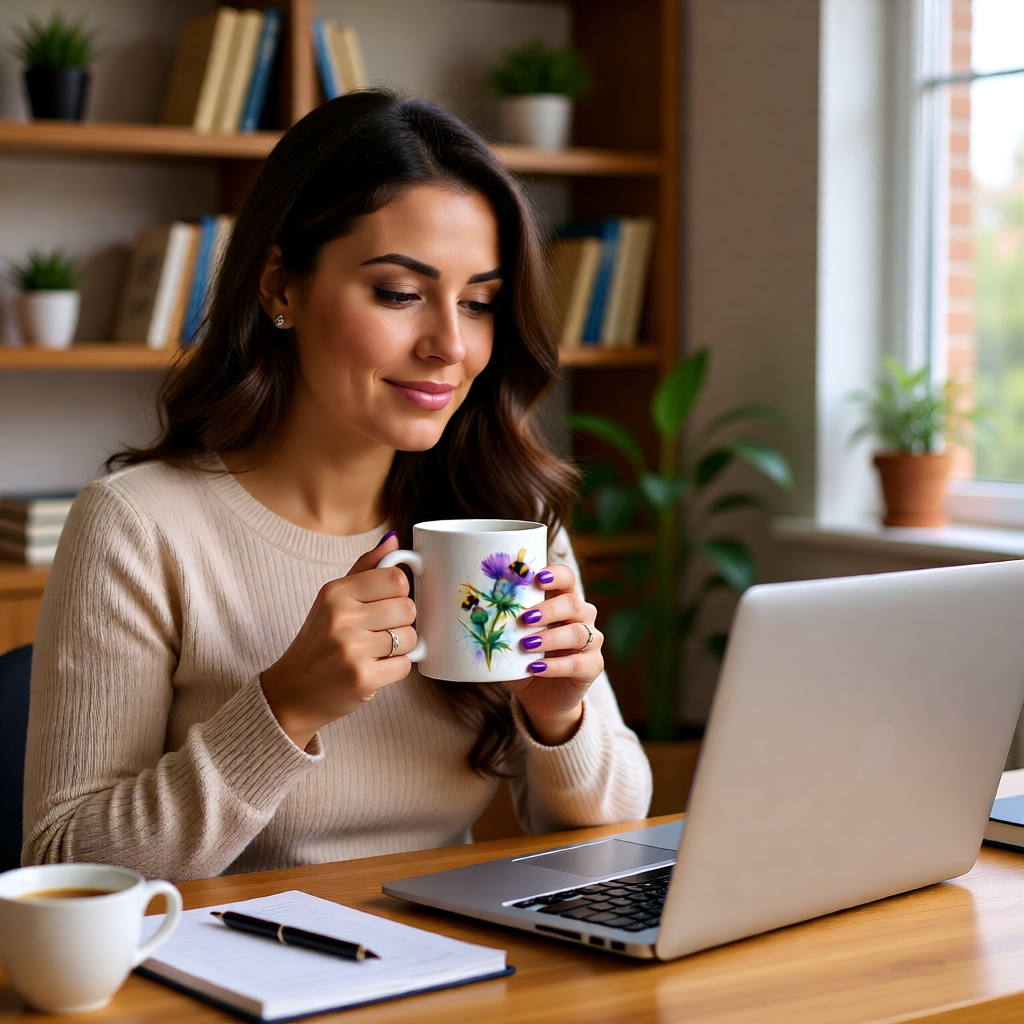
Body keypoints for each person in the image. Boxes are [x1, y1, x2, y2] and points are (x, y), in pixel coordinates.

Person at [22, 92, 652, 881]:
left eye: (480, 303)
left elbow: (616, 838)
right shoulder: (140, 525)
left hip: (446, 966)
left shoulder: (504, 518)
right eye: (399, 293)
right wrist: (284, 707)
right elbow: (62, 861)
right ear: (280, 287)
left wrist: (561, 719)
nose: (450, 346)